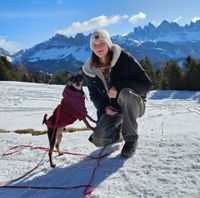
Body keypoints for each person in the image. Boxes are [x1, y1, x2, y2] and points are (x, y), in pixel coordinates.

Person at [82, 29, 152, 157]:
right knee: (99, 140)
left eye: (101, 43)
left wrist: (118, 88)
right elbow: (94, 95)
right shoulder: (89, 69)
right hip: (113, 109)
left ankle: (131, 141)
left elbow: (146, 84)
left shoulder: (124, 58)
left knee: (125, 93)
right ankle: (118, 133)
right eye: (94, 45)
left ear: (108, 43)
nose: (98, 48)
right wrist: (104, 107)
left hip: (134, 104)